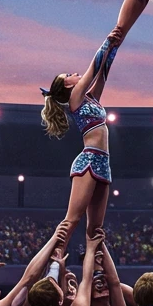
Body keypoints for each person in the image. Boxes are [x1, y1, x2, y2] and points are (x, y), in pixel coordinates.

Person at [40, 37, 119, 249]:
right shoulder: (75, 97)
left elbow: (102, 73)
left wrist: (114, 48)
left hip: (104, 163)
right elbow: (93, 70)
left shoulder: (91, 99)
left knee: (96, 230)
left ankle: (96, 274)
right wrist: (107, 41)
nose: (74, 74)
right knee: (72, 220)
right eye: (69, 75)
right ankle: (52, 269)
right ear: (67, 84)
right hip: (89, 161)